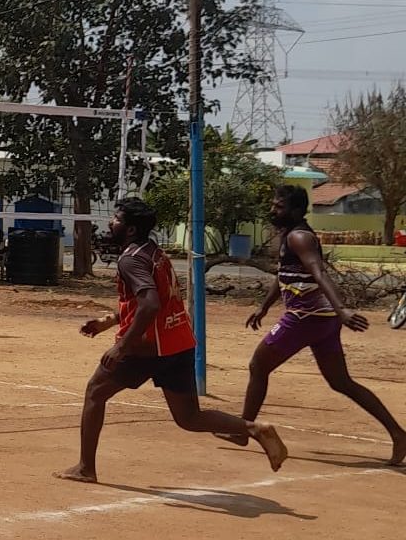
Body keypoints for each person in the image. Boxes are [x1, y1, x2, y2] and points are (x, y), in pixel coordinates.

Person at [55, 197, 288, 484]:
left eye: (116, 219)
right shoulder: (155, 253)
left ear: (129, 229)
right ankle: (253, 428)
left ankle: (85, 468)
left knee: (95, 392)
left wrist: (121, 345)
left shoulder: (130, 259)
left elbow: (150, 304)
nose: (110, 222)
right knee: (189, 417)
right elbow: (153, 301)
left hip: (146, 347)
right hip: (178, 341)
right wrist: (110, 321)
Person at [221, 185, 406, 465]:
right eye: (273, 205)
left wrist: (342, 308)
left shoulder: (298, 237)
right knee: (341, 382)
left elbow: (319, 272)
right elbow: (285, 274)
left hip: (303, 319)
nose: (273, 210)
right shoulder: (291, 235)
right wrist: (265, 305)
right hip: (322, 322)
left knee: (258, 366)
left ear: (296, 210)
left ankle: (244, 430)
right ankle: (398, 434)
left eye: (279, 207)